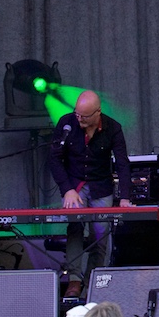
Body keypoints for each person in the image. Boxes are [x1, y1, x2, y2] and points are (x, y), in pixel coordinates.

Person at [49, 90, 132, 299]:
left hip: (101, 186)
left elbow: (122, 163)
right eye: (77, 115)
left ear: (98, 112)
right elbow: (54, 159)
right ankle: (74, 281)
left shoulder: (113, 128)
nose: (80, 120)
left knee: (100, 234)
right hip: (75, 185)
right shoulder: (66, 124)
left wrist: (124, 197)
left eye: (84, 117)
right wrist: (67, 190)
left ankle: (93, 282)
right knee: (75, 227)